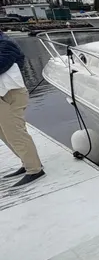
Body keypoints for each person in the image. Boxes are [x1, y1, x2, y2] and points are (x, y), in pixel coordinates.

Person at [0, 30, 44, 187]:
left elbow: (2, 64)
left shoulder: (6, 44)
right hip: (3, 93)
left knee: (14, 132)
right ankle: (27, 163)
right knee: (5, 133)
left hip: (11, 94)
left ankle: (34, 169)